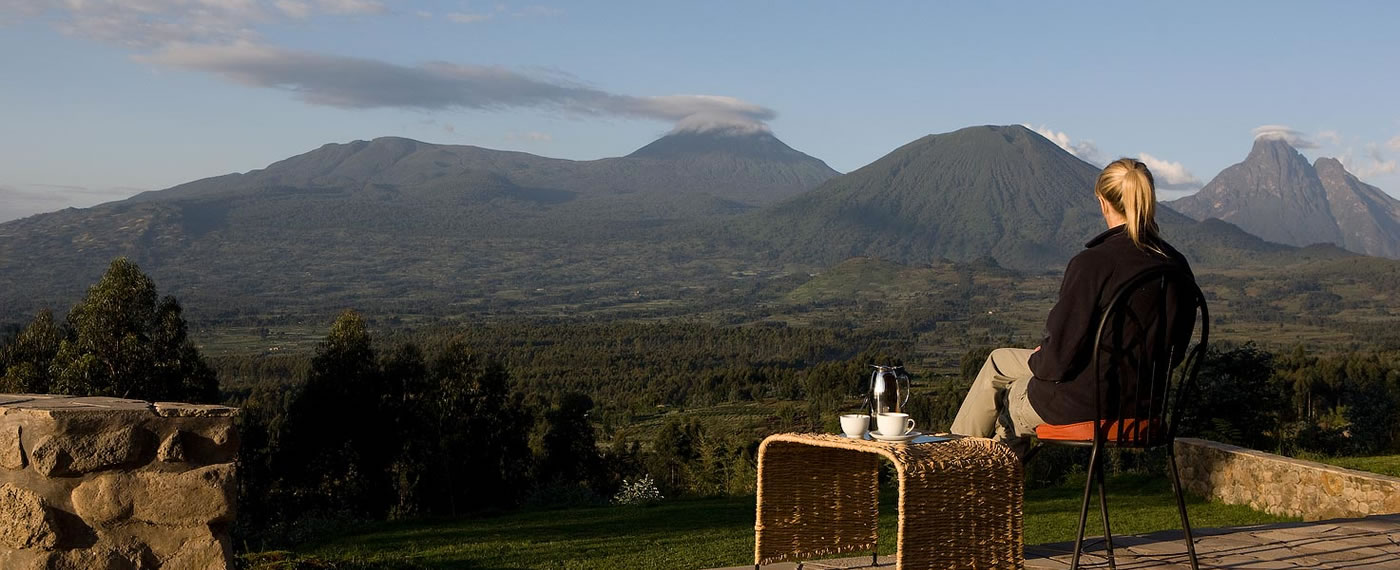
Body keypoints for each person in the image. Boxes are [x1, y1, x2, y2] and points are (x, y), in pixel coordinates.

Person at [949, 158, 1195, 459]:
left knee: (1010, 397)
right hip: (1145, 406)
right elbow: (1175, 352)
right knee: (998, 362)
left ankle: (954, 469)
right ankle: (960, 467)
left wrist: (1043, 362)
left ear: (1103, 203)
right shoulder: (1176, 266)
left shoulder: (1094, 263)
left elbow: (1059, 361)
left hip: (1086, 403)